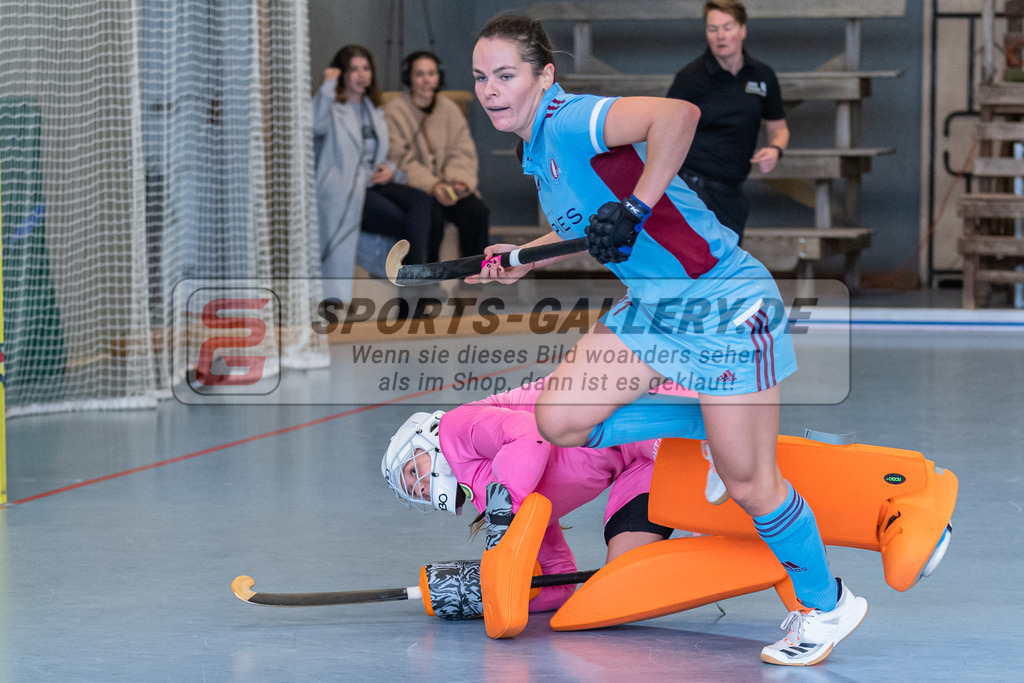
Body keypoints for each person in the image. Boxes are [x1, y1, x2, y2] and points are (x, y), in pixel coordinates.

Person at [467, 15, 863, 666]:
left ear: (544, 76)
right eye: (481, 78)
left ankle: (826, 603)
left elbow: (676, 117)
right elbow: (580, 230)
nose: (490, 90)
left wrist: (639, 205)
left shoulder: (571, 119)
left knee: (750, 482)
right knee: (561, 417)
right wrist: (524, 255)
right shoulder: (536, 148)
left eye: (506, 75)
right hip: (655, 306)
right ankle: (712, 421)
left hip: (724, 302)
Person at [381, 378, 722, 615]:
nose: (422, 487)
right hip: (632, 464)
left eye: (414, 472)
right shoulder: (493, 502)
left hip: (636, 409)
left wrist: (505, 513)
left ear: (428, 437)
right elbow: (557, 578)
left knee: (692, 473)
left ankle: (719, 464)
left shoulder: (458, 427)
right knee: (622, 582)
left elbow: (531, 435)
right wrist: (490, 594)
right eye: (416, 492)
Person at [312, 45, 436, 298]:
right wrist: (327, 86)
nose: (361, 75)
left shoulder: (374, 109)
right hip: (349, 188)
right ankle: (412, 285)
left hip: (375, 182)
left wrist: (390, 169)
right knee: (407, 222)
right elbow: (315, 124)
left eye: (366, 68)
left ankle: (417, 279)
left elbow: (384, 153)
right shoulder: (333, 109)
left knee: (425, 203)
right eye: (354, 69)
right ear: (343, 75)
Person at [665, 0, 789, 243]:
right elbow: (664, 129)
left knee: (729, 268)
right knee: (698, 264)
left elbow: (779, 127)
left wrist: (775, 149)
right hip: (692, 186)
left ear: (742, 30)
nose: (721, 36)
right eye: (713, 29)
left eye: (728, 27)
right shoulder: (691, 78)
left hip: (732, 191)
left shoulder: (762, 76)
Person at [384, 51, 491, 262]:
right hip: (418, 190)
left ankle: (472, 278)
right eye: (419, 74)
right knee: (431, 216)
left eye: (431, 73)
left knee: (477, 212)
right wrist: (434, 186)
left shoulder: (449, 110)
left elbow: (462, 150)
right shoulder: (394, 112)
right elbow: (401, 161)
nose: (426, 80)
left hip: (450, 189)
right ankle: (428, 282)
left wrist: (457, 182)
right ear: (409, 79)